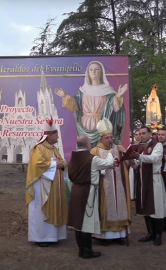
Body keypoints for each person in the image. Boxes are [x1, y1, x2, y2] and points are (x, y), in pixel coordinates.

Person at [55, 60, 127, 146]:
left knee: (101, 152)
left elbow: (115, 107)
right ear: (88, 73)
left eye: (96, 69)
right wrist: (65, 96)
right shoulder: (83, 91)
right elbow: (75, 106)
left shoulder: (108, 92)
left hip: (101, 126)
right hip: (83, 127)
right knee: (86, 154)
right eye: (91, 69)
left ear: (101, 72)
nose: (93, 71)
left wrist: (118, 96)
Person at [68, 135, 115, 259]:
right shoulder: (92, 159)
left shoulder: (72, 158)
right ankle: (87, 251)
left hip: (76, 190)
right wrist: (110, 153)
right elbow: (108, 163)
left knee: (78, 222)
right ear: (88, 145)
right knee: (87, 222)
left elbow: (70, 177)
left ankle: (81, 249)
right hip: (89, 191)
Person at [26, 118, 68, 247]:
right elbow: (37, 165)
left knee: (55, 206)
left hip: (55, 185)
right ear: (49, 135)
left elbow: (61, 161)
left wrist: (62, 164)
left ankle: (54, 235)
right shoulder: (38, 148)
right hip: (42, 187)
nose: (57, 138)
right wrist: (56, 164)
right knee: (41, 209)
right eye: (56, 135)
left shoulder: (53, 148)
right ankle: (41, 237)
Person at [90, 118, 131, 246]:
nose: (109, 140)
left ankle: (119, 235)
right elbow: (93, 168)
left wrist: (125, 153)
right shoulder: (95, 151)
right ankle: (104, 236)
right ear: (101, 138)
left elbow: (127, 165)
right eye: (107, 137)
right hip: (104, 184)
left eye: (111, 137)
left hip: (118, 183)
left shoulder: (117, 148)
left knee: (120, 208)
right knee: (106, 209)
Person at [129, 126, 166, 246]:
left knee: (157, 208)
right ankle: (150, 232)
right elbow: (136, 165)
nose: (141, 136)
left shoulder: (157, 145)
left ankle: (158, 235)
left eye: (144, 133)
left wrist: (139, 157)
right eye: (140, 134)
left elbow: (155, 158)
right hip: (142, 180)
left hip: (153, 179)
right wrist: (131, 161)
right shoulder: (138, 146)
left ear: (150, 134)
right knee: (145, 206)